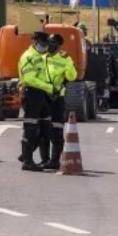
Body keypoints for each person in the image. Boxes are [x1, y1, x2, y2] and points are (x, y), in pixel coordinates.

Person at [38, 33, 77, 171]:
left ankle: (55, 160)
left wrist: (68, 63)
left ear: (59, 45)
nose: (50, 44)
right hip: (43, 96)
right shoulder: (41, 58)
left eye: (53, 42)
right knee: (42, 129)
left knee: (56, 129)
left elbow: (72, 76)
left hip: (57, 98)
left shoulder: (64, 58)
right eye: (49, 42)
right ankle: (44, 159)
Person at [17, 31, 54, 172]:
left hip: (42, 94)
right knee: (31, 128)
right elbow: (29, 79)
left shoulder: (41, 56)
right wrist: (48, 86)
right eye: (42, 44)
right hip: (32, 93)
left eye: (46, 45)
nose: (44, 47)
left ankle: (28, 154)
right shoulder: (28, 57)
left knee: (46, 128)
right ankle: (27, 161)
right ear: (34, 42)